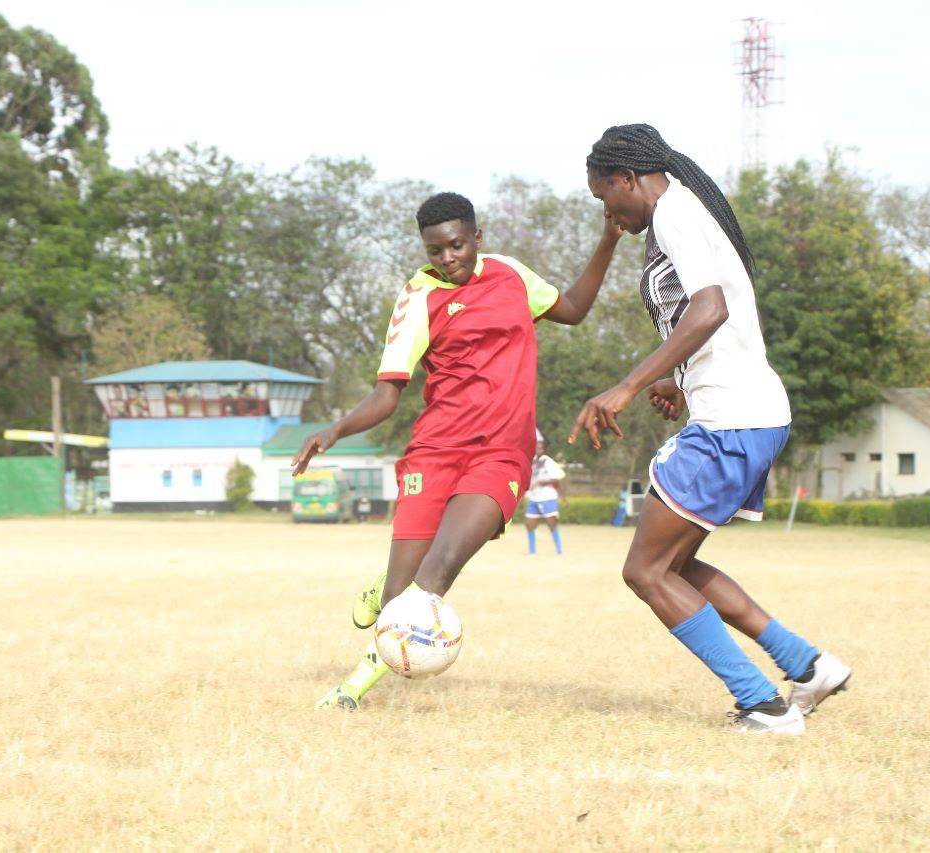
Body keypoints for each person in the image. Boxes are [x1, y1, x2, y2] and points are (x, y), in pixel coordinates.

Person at [568, 124, 850, 734]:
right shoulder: (685, 211)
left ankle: (763, 705)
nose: (608, 211)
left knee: (645, 572)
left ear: (625, 178)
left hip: (732, 419)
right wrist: (678, 378)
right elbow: (725, 320)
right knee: (676, 566)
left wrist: (629, 385)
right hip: (749, 412)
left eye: (604, 197)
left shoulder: (672, 211)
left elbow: (710, 307)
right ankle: (806, 666)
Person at [295, 191, 620, 710]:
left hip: (501, 453)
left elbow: (575, 310)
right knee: (399, 600)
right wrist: (334, 430)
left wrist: (607, 239)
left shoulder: (511, 275)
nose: (448, 260)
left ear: (477, 238)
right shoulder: (417, 298)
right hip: (435, 451)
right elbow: (387, 394)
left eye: (457, 246)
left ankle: (351, 690)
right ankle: (386, 585)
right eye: (435, 251)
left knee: (438, 572)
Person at [524, 434, 567, 555]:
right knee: (529, 524)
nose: (537, 449)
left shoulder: (549, 462)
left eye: (540, 448)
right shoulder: (531, 462)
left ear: (544, 449)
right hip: (533, 497)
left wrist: (541, 482)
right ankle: (532, 552)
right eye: (536, 447)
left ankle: (559, 551)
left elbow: (557, 479)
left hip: (547, 497)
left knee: (551, 524)